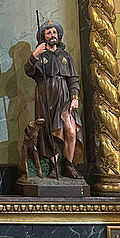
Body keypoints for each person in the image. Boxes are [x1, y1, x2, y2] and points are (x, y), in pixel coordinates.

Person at [24, 19, 84, 179]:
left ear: (59, 35)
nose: (52, 35)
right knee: (51, 132)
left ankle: (69, 165)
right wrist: (35, 54)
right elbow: (29, 71)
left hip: (64, 96)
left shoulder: (65, 56)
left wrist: (75, 96)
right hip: (46, 97)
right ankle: (53, 167)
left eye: (54, 32)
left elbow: (73, 78)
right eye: (48, 32)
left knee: (71, 132)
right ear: (43, 36)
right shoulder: (40, 56)